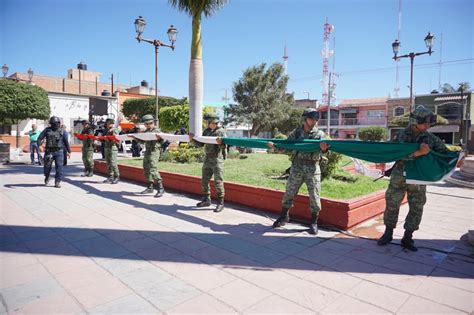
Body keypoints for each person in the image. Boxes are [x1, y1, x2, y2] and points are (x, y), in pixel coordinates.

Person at [377, 105, 449, 251]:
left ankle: (408, 237)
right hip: (399, 176)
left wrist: (458, 156)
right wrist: (417, 153)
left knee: (417, 207)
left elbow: (445, 153)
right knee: (392, 204)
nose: (427, 126)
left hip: (418, 178)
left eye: (429, 124)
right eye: (425, 123)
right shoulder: (401, 136)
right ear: (415, 121)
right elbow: (394, 153)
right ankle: (388, 233)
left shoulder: (430, 138)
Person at [267, 108, 329, 235]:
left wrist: (323, 150)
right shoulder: (297, 132)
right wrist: (275, 147)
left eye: (316, 119)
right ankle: (284, 216)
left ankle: (313, 222)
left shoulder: (320, 134)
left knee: (315, 196)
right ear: (305, 118)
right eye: (312, 118)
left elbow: (328, 151)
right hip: (297, 167)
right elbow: (287, 146)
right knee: (289, 193)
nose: (314, 121)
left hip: (312, 168)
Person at [189, 113, 226, 213]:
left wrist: (221, 143)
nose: (207, 124)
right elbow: (201, 144)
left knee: (218, 181)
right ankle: (206, 199)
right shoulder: (207, 131)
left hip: (217, 159)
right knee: (204, 180)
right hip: (207, 159)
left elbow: (226, 146)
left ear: (212, 122)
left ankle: (220, 202)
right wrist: (192, 139)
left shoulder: (221, 131)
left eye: (208, 122)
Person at [130, 115, 165, 197]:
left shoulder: (157, 130)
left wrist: (159, 138)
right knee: (146, 168)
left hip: (154, 151)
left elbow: (162, 141)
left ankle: (161, 188)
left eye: (146, 124)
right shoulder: (146, 131)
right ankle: (150, 187)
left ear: (150, 123)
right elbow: (143, 141)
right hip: (148, 151)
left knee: (153, 168)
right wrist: (134, 137)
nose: (145, 125)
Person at [38, 116, 71, 188]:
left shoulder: (63, 131)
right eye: (53, 123)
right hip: (49, 152)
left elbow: (66, 142)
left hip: (59, 152)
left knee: (59, 167)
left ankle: (57, 181)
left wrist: (69, 151)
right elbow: (39, 138)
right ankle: (47, 176)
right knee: (47, 167)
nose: (54, 125)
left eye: (56, 123)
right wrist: (40, 145)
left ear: (58, 123)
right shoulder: (47, 130)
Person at [102, 118, 120, 184]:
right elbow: (103, 138)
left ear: (112, 124)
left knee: (113, 162)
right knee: (108, 162)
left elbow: (116, 138)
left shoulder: (114, 130)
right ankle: (110, 176)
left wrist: (109, 137)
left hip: (113, 147)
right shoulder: (106, 130)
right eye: (107, 123)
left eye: (109, 123)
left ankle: (116, 176)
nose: (107, 124)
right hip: (107, 147)